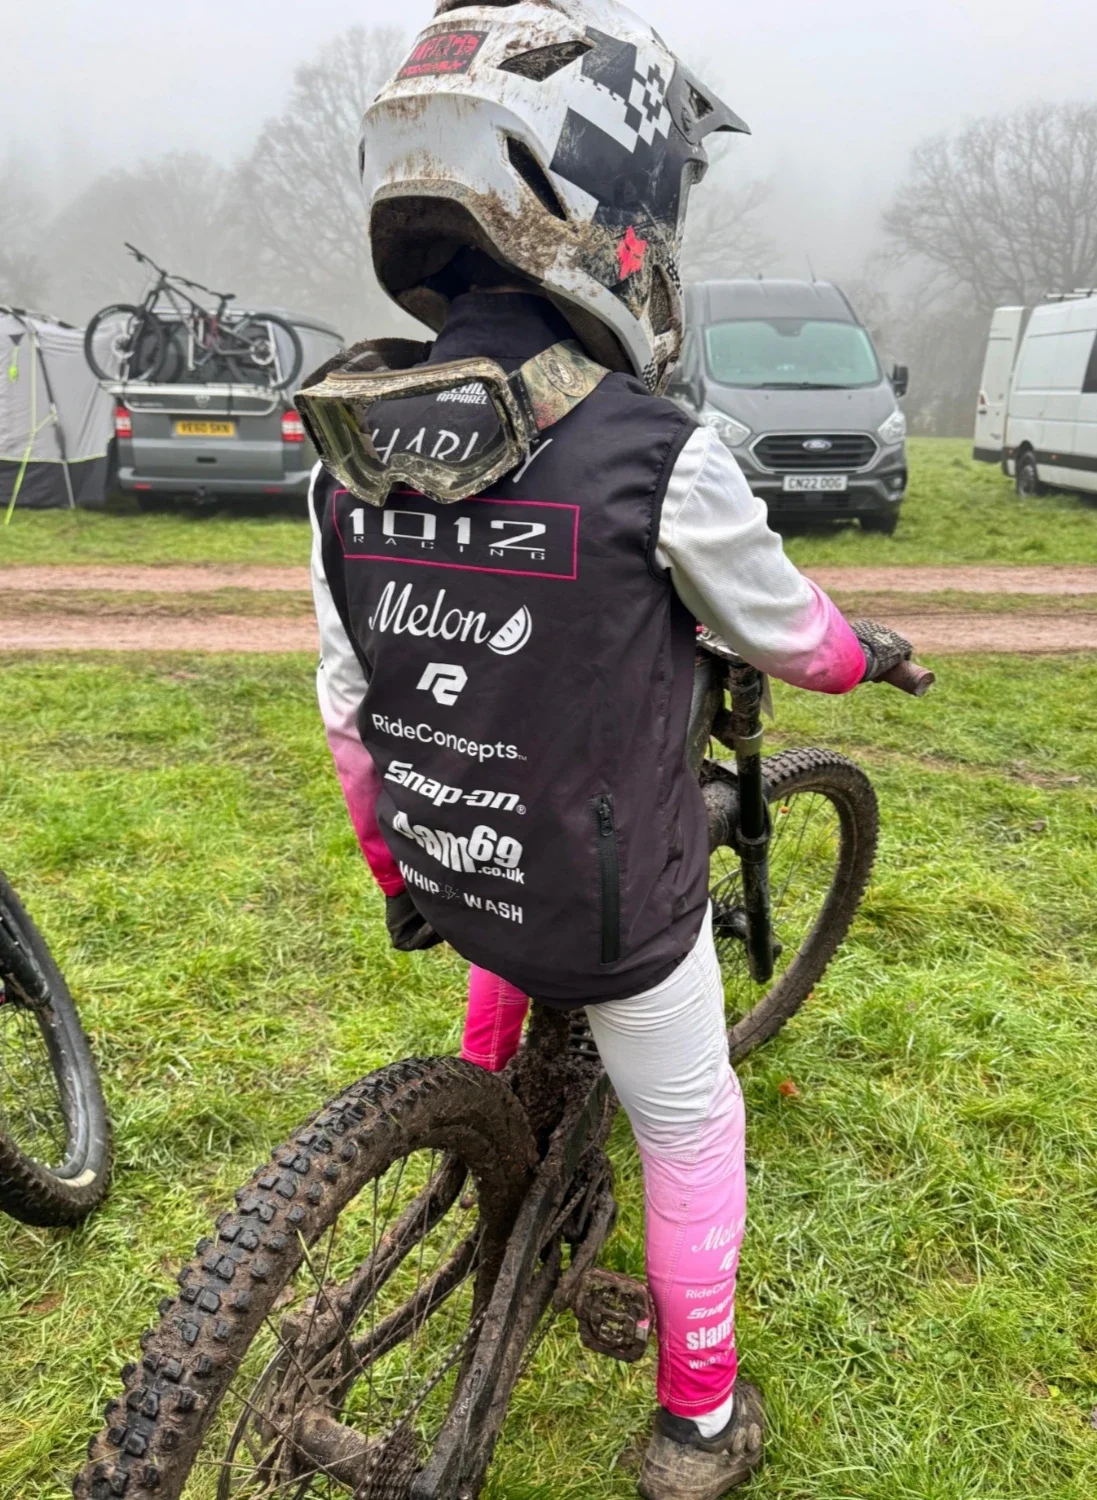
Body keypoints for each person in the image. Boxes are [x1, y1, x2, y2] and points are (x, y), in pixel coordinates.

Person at [306, 2, 912, 1494]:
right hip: (606, 909)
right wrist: (860, 657)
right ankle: (694, 1425)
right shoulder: (654, 448)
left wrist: (399, 866)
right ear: (618, 226)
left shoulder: (343, 441)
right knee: (693, 1127)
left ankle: (484, 1139)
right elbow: (788, 638)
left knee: (502, 909)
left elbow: (347, 705)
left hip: (451, 868)